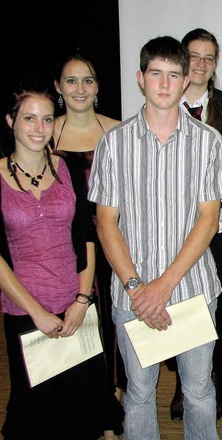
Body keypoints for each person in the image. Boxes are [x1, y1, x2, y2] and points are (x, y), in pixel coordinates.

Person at [88, 36, 222, 440]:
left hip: (193, 292)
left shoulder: (208, 142)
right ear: (140, 78)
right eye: (156, 74)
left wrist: (162, 287)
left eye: (173, 75)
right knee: (137, 395)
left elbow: (208, 219)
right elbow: (105, 221)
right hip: (132, 295)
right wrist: (137, 288)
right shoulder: (113, 143)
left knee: (200, 392)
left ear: (187, 81)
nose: (165, 85)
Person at [0, 85, 123, 439]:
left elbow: (87, 235)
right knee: (39, 412)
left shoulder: (68, 168)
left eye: (47, 119)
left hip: (75, 304)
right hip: (25, 312)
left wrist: (84, 301)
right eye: (29, 118)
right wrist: (35, 312)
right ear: (11, 122)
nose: (39, 128)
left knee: (88, 408)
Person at [166, 27, 222, 422]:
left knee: (213, 305)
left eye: (208, 58)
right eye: (193, 56)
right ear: (183, 58)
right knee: (178, 302)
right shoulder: (164, 100)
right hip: (171, 225)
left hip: (216, 227)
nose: (200, 64)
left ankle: (210, 382)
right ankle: (184, 384)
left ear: (216, 64)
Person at [52, 51, 126, 405]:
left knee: (111, 322)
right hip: (61, 246)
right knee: (73, 320)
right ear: (58, 88)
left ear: (97, 87)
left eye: (87, 80)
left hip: (113, 240)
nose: (79, 88)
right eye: (71, 80)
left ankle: (113, 397)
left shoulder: (117, 129)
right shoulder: (43, 132)